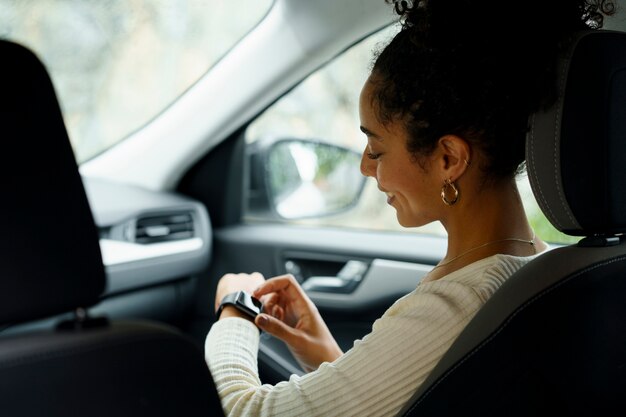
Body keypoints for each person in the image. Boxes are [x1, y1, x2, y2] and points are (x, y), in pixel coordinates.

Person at [205, 0, 615, 415]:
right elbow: (435, 396)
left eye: (376, 148)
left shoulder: (460, 303)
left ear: (449, 160)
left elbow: (247, 410)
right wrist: (328, 357)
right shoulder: (549, 271)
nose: (365, 167)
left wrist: (235, 308)